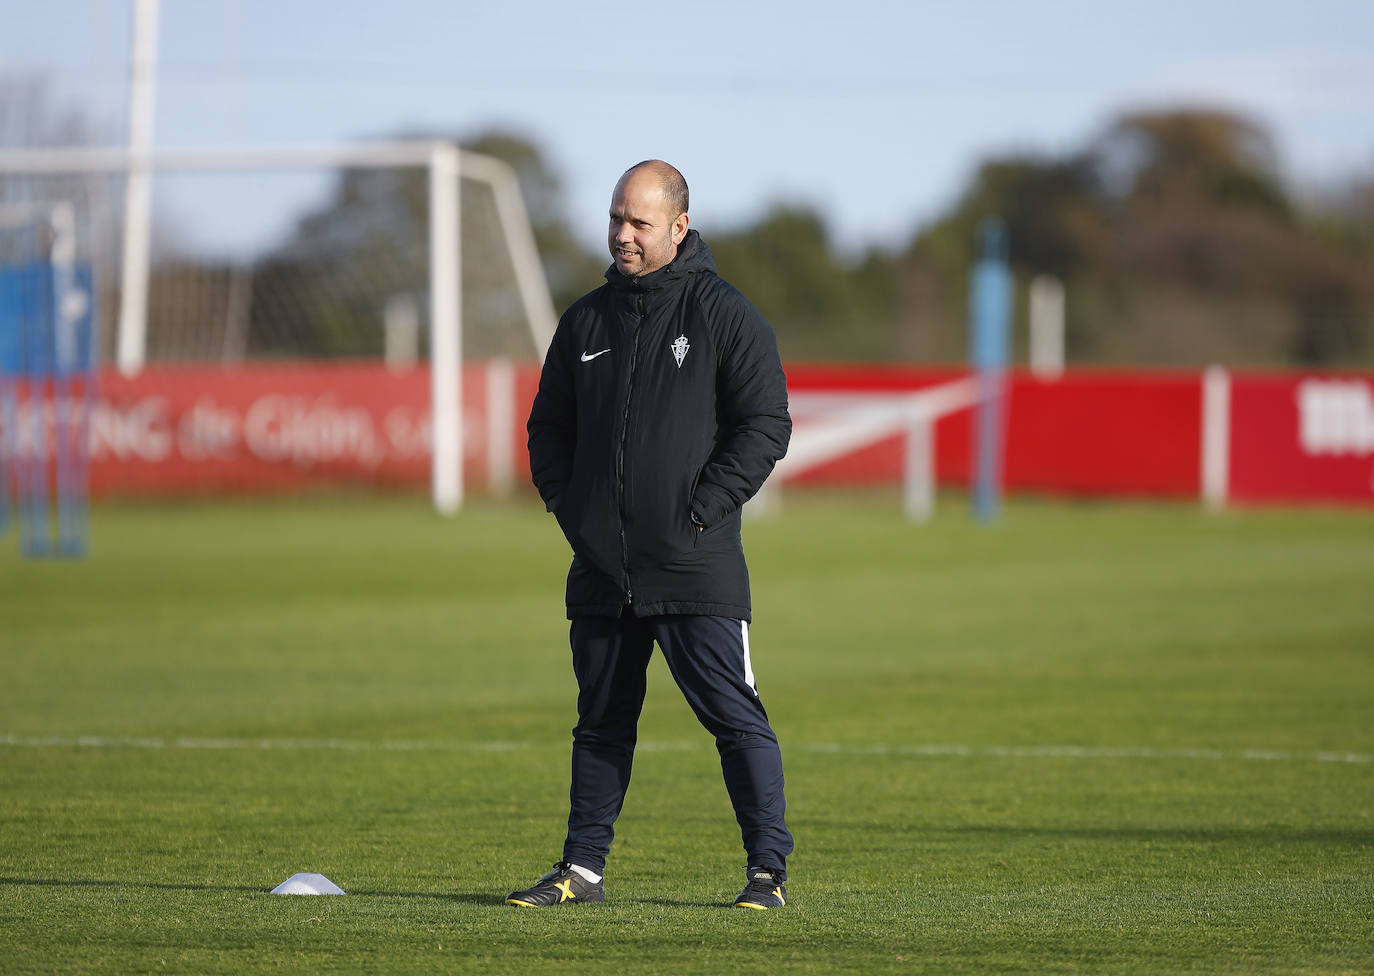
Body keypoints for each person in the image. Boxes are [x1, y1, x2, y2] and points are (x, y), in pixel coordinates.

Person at [510, 160, 793, 910]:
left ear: (679, 226)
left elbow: (766, 424)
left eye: (639, 222)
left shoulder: (724, 314)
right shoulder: (585, 321)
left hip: (695, 566)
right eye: (615, 218)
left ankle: (767, 876)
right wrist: (574, 511)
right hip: (602, 568)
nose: (622, 235)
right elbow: (548, 428)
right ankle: (581, 872)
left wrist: (700, 511)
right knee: (599, 726)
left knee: (735, 719)